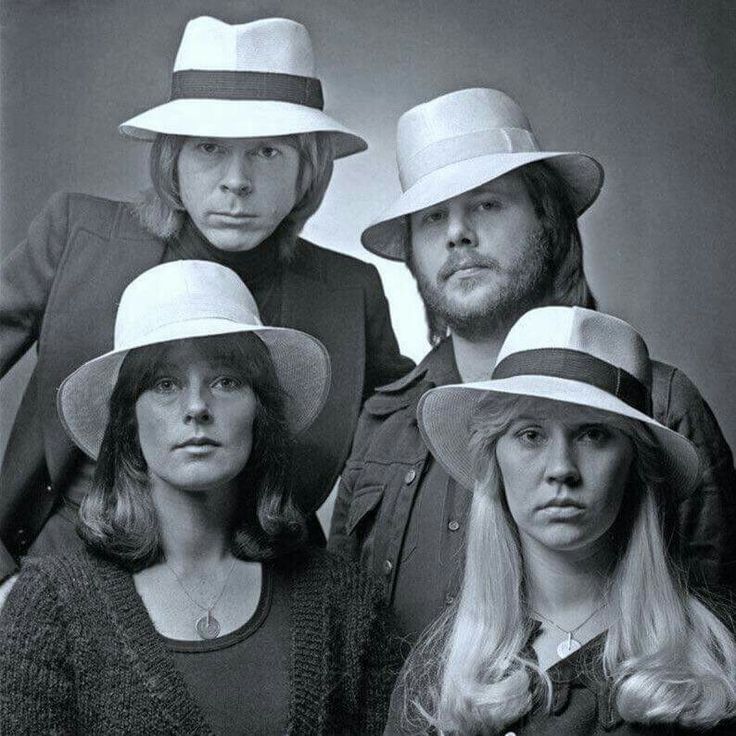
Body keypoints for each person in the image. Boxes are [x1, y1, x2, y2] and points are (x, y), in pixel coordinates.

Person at [0, 15, 412, 581]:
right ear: (172, 158)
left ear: (307, 169)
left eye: (267, 151)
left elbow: (418, 432)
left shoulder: (349, 290)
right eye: (210, 147)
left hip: (268, 592)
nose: (236, 180)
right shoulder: (80, 236)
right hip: (59, 576)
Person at [328, 87, 736, 639]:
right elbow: (343, 649)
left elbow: (716, 648)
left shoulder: (658, 404)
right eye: (432, 218)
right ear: (411, 251)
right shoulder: (385, 421)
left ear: (547, 217)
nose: (457, 233)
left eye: (487, 204)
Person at [0, 260, 398, 735]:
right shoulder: (50, 604)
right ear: (129, 418)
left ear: (260, 410)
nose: (196, 409)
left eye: (226, 381)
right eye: (165, 385)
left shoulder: (343, 599)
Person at [384, 305, 736, 735]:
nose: (561, 468)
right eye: (530, 435)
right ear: (496, 461)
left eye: (593, 434)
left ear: (635, 464)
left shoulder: (710, 663)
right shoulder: (440, 674)